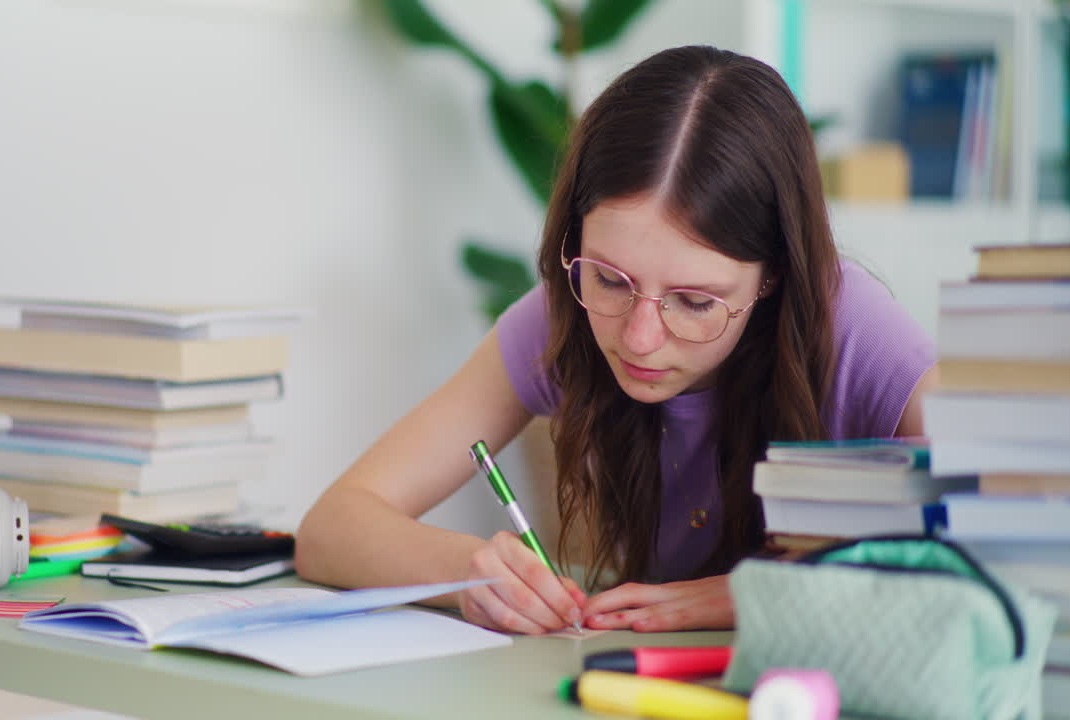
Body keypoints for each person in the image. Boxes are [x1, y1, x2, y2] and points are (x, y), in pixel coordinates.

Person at [295, 45, 938, 635]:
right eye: (609, 279)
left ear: (773, 275)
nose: (639, 337)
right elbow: (332, 528)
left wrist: (761, 591)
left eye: (694, 302)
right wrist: (470, 569)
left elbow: (1002, 534)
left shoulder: (853, 329)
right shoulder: (562, 315)